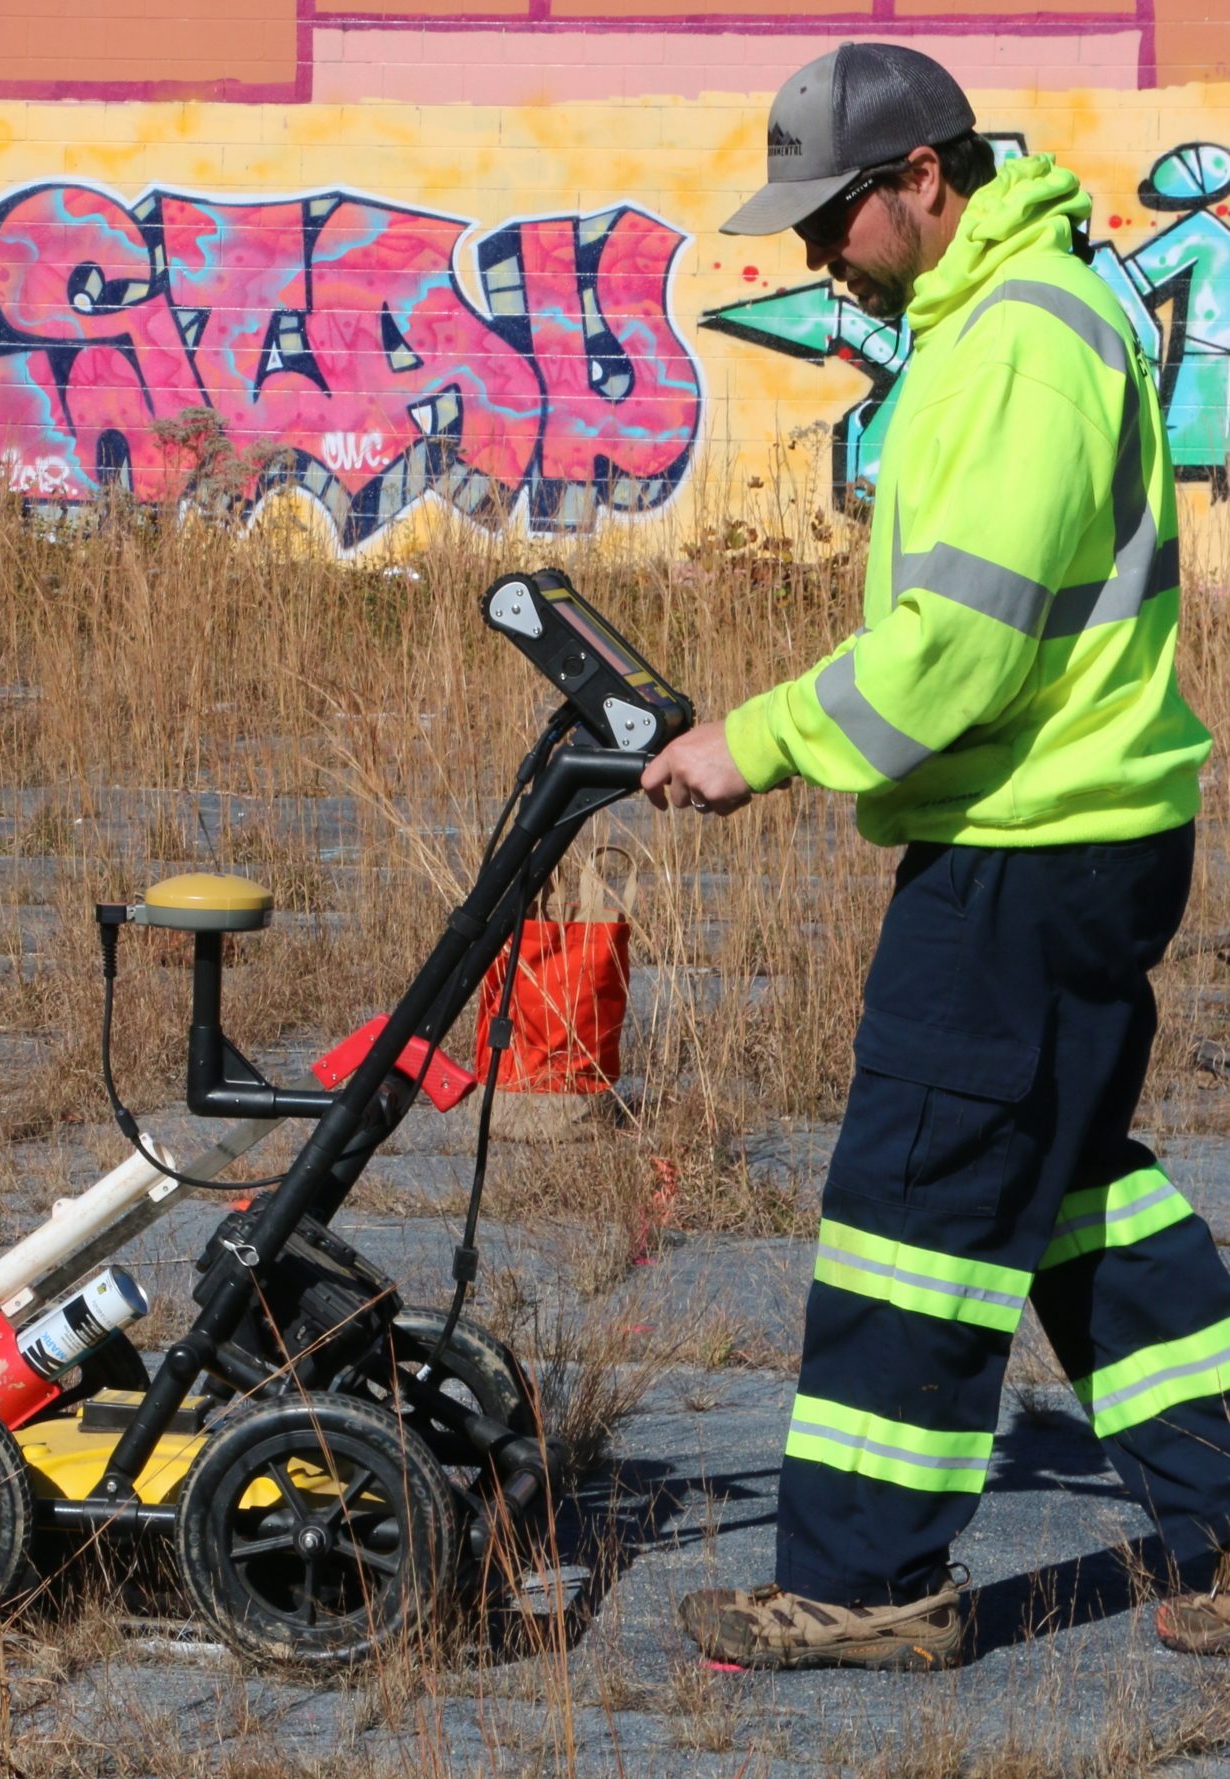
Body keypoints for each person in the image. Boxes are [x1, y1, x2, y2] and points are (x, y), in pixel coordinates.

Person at [643, 40, 1227, 1670]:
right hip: (1073, 839)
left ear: (924, 180)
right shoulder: (996, 317)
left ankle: (860, 1583)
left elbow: (956, 648)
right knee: (1068, 1192)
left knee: (914, 1200)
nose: (818, 253)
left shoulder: (1022, 346)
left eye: (837, 217)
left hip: (1028, 848)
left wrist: (751, 747)